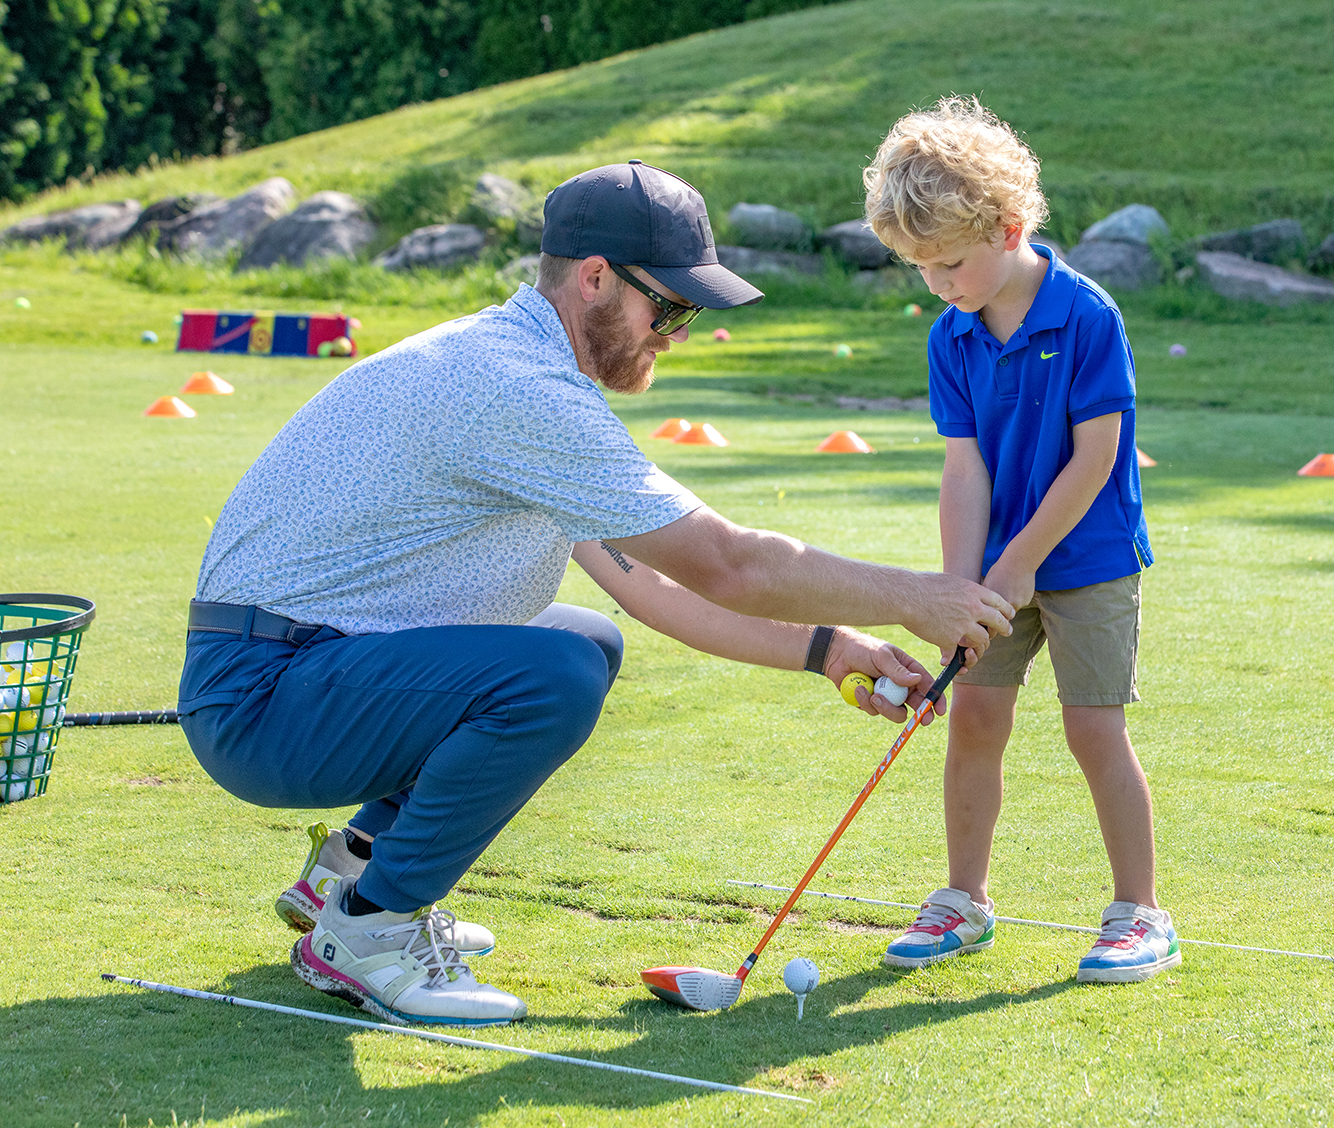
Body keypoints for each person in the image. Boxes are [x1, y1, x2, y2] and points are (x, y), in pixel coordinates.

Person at [178, 160, 1014, 1028]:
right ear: (595, 280)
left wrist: (831, 648)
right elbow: (727, 563)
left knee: (584, 641)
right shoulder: (521, 391)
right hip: (266, 698)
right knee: (552, 676)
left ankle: (349, 874)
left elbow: (650, 585)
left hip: (284, 673)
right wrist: (913, 596)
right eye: (670, 309)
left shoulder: (510, 363)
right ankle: (370, 929)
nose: (675, 336)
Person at [860, 99, 1177, 982]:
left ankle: (1140, 913)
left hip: (1087, 558)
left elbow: (1095, 459)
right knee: (974, 719)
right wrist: (957, 591)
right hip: (994, 568)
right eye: (920, 267)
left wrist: (1021, 562)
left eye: (949, 263)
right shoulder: (951, 334)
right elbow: (965, 470)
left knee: (1092, 729)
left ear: (1007, 229)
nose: (937, 283)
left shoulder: (1088, 317)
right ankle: (964, 902)